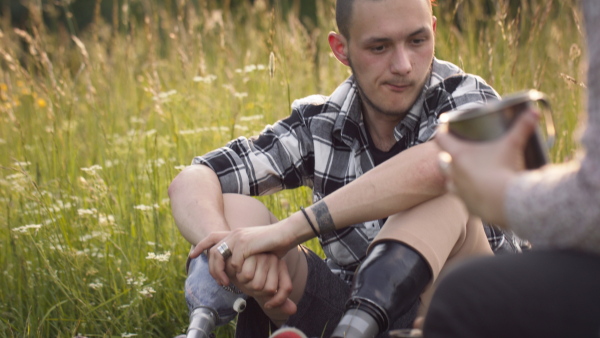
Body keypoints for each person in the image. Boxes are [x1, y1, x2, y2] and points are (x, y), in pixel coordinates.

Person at [170, 0, 524, 336]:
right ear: (342, 50)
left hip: (468, 318)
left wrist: (293, 229)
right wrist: (224, 246)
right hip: (347, 315)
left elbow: (440, 166)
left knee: (444, 195)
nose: (403, 64)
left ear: (433, 30)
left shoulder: (465, 97)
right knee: (235, 210)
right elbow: (194, 177)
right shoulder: (320, 123)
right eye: (379, 47)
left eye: (417, 40)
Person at [422, 0, 600, 337]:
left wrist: (506, 196)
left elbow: (595, 204)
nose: (400, 64)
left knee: (463, 298)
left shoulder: (462, 90)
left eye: (416, 41)